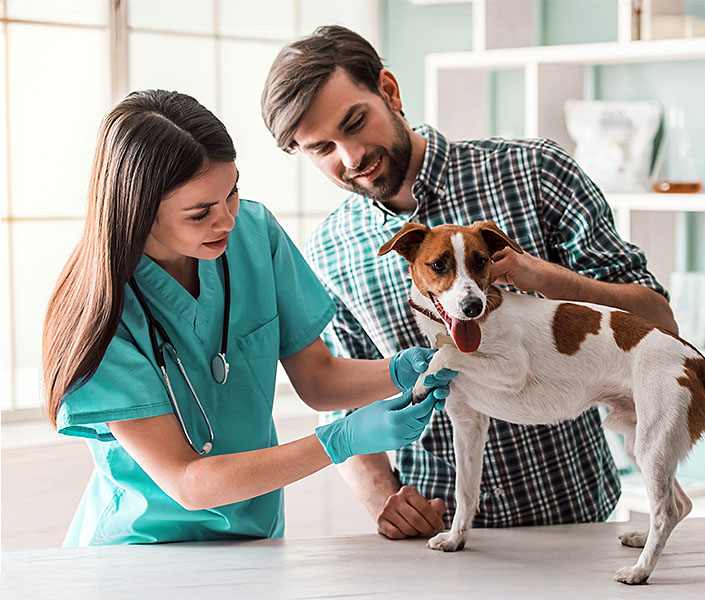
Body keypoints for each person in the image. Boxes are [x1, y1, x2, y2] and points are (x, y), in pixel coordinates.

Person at [261, 25, 679, 540]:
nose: (351, 158)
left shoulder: (534, 172)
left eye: (355, 122)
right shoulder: (330, 250)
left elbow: (660, 322)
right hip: (438, 531)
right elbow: (341, 399)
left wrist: (546, 279)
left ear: (389, 91)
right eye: (322, 147)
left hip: (575, 519)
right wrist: (383, 498)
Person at [41, 89, 457, 546]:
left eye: (232, 192)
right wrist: (340, 441)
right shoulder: (99, 308)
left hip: (255, 537)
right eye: (200, 213)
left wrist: (404, 370)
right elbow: (187, 482)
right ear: (138, 213)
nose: (227, 221)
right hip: (140, 548)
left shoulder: (256, 236)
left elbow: (318, 380)